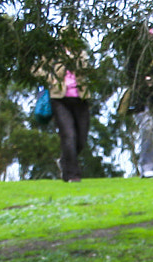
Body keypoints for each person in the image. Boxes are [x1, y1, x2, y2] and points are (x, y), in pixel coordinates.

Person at [123, 22, 153, 178]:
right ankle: (147, 167)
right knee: (147, 128)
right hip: (139, 100)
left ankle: (151, 164)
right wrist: (143, 80)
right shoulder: (134, 57)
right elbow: (130, 75)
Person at [47, 51, 92, 182]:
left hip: (81, 98)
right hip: (59, 99)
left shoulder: (81, 51)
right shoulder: (52, 51)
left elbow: (87, 69)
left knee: (81, 138)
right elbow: (37, 69)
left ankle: (64, 160)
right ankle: (72, 174)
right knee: (68, 135)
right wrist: (53, 79)